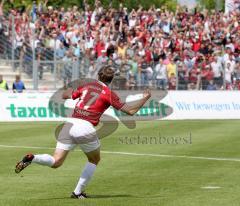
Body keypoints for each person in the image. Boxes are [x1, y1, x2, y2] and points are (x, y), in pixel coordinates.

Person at [15, 65, 151, 199]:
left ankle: (33, 158)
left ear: (98, 75)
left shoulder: (87, 85)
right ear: (111, 80)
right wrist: (145, 98)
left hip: (70, 124)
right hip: (85, 127)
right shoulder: (109, 93)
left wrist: (72, 88)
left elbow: (64, 95)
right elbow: (131, 111)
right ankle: (77, 192)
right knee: (94, 159)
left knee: (56, 161)